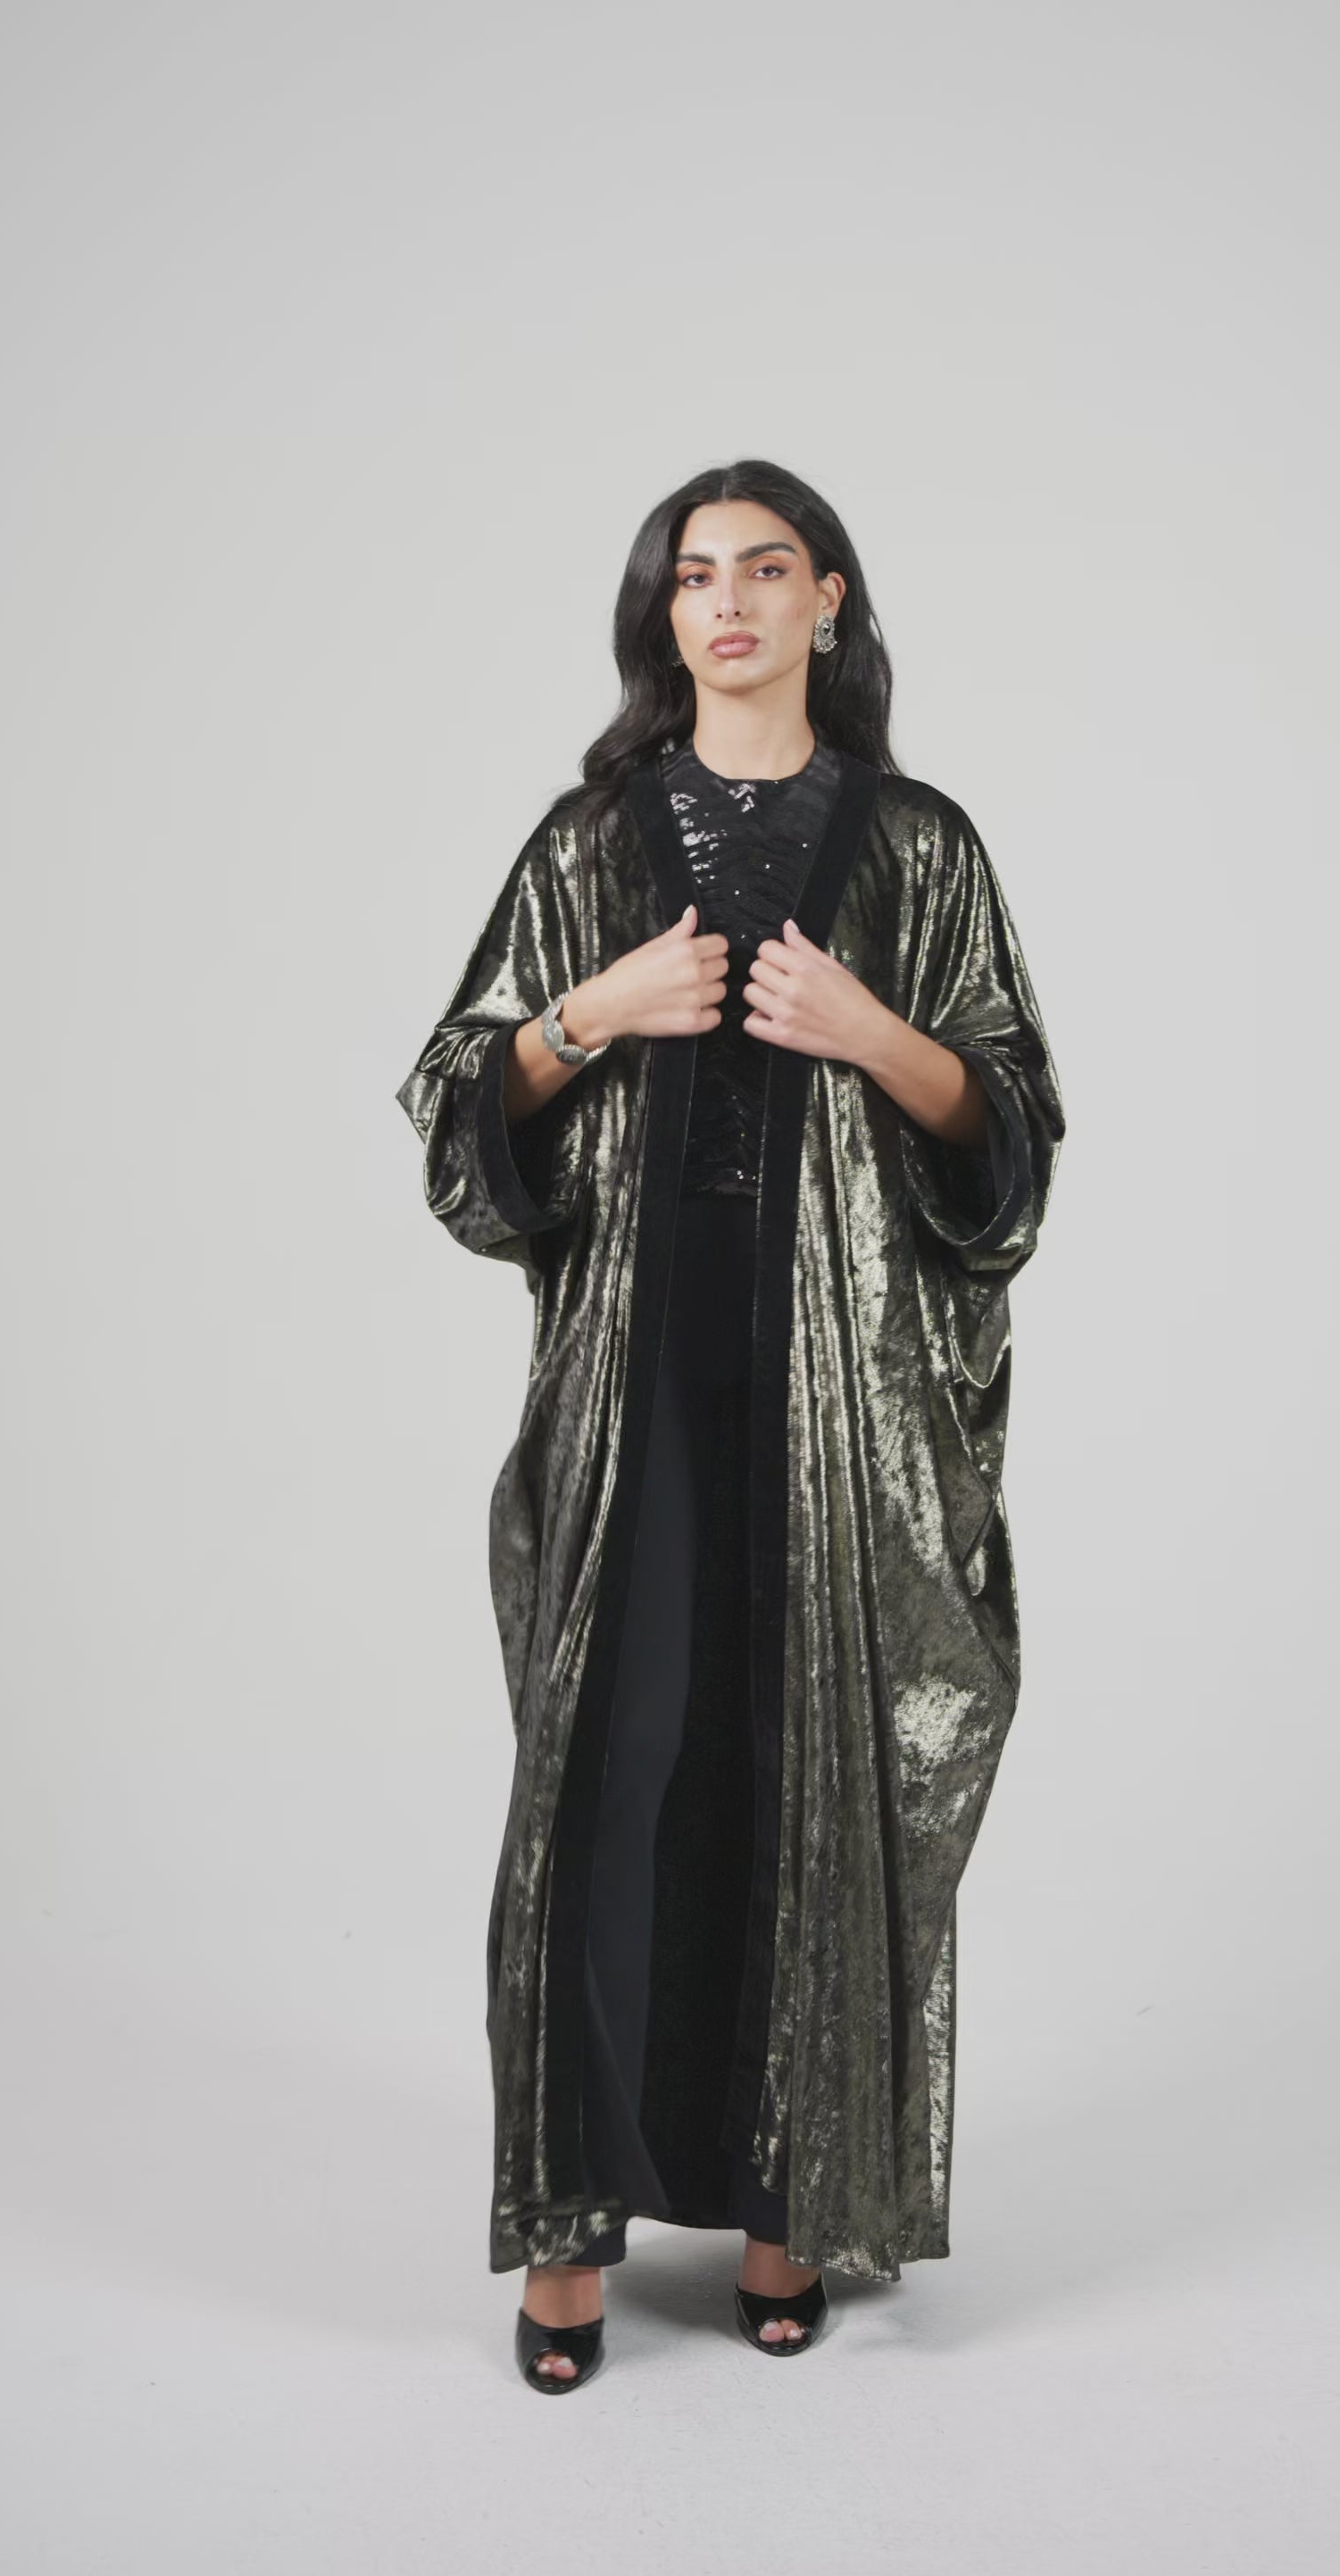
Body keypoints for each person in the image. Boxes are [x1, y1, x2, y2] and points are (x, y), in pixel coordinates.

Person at [395, 461, 1065, 2391]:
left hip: (839, 1393)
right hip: (634, 1377)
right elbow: (457, 1110)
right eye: (697, 576)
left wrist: (873, 1033)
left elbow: (1013, 1143)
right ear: (663, 614)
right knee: (606, 1774)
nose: (734, 603)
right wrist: (591, 1013)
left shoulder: (920, 847)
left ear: (830, 601)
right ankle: (567, 2233)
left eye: (770, 569)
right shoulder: (589, 843)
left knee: (803, 1757)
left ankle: (792, 2202)